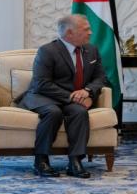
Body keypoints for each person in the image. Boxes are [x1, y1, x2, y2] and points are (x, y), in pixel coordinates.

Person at [17, 14, 106, 178]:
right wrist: (74, 97)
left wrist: (87, 91)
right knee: (53, 112)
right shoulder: (47, 51)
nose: (91, 32)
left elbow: (100, 78)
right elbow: (41, 83)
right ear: (69, 33)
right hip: (44, 96)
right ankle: (41, 160)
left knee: (80, 112)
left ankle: (75, 161)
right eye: (86, 29)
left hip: (71, 99)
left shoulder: (91, 50)